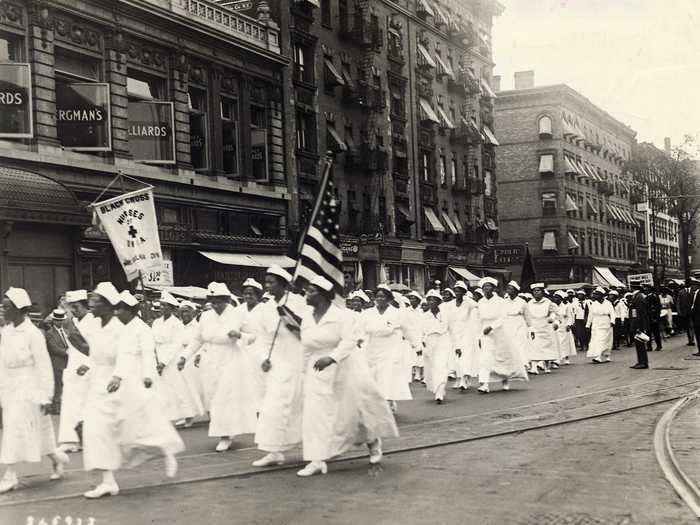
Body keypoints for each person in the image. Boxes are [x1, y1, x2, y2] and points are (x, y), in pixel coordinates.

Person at [296, 276, 398, 477]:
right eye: (307, 291)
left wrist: (331, 358)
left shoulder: (342, 316)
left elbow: (349, 342)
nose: (307, 295)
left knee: (353, 413)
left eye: (311, 292)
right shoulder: (307, 317)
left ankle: (373, 442)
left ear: (324, 296)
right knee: (315, 415)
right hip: (315, 371)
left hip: (343, 368)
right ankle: (317, 459)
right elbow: (305, 346)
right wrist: (302, 372)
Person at [0, 288, 70, 493]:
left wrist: (47, 395)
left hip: (30, 387)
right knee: (36, 431)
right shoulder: (7, 331)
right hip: (10, 388)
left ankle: (10, 474)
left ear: (20, 309)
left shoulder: (33, 334)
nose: (3, 311)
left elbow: (43, 365)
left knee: (14, 428)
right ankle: (57, 459)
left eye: (7, 307)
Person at [179, 282, 257, 452]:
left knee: (225, 397)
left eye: (219, 302)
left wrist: (239, 335)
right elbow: (197, 339)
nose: (215, 305)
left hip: (231, 359)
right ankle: (226, 430)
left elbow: (253, 336)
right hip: (211, 360)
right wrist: (184, 356)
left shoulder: (238, 314)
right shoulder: (206, 316)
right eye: (213, 301)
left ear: (227, 300)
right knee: (213, 398)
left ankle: (225, 436)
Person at [112, 291, 183, 478]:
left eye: (120, 309)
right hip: (125, 378)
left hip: (140, 378)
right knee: (127, 421)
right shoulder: (122, 327)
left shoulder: (141, 328)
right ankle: (138, 451)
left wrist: (148, 376)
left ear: (129, 311)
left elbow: (148, 354)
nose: (117, 313)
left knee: (149, 420)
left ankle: (168, 454)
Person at [251, 267, 307, 467]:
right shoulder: (265, 309)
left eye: (271, 282)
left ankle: (316, 448)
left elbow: (308, 331)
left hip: (300, 362)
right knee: (273, 407)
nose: (267, 286)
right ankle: (273, 451)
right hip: (277, 365)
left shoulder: (299, 304)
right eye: (265, 282)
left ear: (283, 284)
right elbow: (262, 338)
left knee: (304, 407)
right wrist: (264, 358)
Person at [153, 292, 201, 427]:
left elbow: (175, 345)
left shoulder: (176, 324)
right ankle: (169, 415)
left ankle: (188, 415)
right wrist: (157, 359)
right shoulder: (156, 322)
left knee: (179, 388)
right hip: (159, 355)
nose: (162, 308)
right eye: (161, 306)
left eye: (165, 306)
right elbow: (154, 341)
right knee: (163, 389)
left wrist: (164, 361)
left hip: (172, 357)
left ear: (171, 308)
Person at [475, 278, 529, 393]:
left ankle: (505, 379)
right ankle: (484, 384)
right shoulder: (480, 302)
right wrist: (479, 335)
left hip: (499, 332)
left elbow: (503, 317)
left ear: (494, 288)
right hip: (485, 333)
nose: (486, 288)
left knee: (501, 357)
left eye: (488, 286)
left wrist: (492, 327)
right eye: (484, 286)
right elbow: (478, 320)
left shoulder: (500, 301)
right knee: (485, 358)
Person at [422, 289, 451, 403]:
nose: (431, 302)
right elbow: (421, 331)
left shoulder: (445, 314)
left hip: (443, 340)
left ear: (439, 302)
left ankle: (440, 391)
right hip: (429, 341)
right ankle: (438, 388)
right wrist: (422, 342)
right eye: (429, 299)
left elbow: (450, 329)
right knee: (432, 366)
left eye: (433, 300)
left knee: (441, 365)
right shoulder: (424, 316)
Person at [449, 281, 479, 391]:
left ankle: (464, 379)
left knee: (465, 356)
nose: (457, 293)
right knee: (455, 357)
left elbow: (476, 306)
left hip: (467, 332)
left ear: (464, 292)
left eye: (460, 291)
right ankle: (460, 378)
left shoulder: (469, 303)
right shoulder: (451, 304)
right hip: (454, 332)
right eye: (456, 291)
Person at [524, 283, 559, 374]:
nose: (536, 292)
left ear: (542, 292)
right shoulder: (529, 303)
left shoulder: (548, 302)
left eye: (538, 290)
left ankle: (546, 366)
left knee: (546, 347)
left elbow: (553, 312)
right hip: (534, 326)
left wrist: (552, 318)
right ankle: (534, 367)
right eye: (534, 291)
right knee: (534, 346)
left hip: (545, 326)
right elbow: (527, 315)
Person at [43, 308, 71, 415]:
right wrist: (68, 352)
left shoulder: (67, 332)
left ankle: (64, 405)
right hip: (57, 362)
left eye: (61, 320)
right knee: (57, 384)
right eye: (57, 320)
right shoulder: (49, 333)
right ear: (54, 321)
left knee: (65, 383)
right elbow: (53, 348)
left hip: (67, 362)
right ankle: (56, 407)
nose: (60, 322)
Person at [503, 281, 530, 371]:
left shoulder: (522, 302)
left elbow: (528, 317)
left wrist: (531, 329)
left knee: (520, 344)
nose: (508, 290)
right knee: (510, 345)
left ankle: (523, 363)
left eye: (511, 289)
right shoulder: (504, 302)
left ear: (515, 291)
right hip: (508, 325)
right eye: (508, 288)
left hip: (519, 324)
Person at [586, 287, 616, 364]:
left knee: (605, 340)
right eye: (595, 295)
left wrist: (612, 321)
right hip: (596, 323)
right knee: (597, 340)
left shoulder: (608, 303)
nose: (595, 296)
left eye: (597, 295)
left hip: (605, 322)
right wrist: (588, 325)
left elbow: (612, 313)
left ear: (602, 295)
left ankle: (606, 355)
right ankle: (598, 356)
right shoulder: (593, 304)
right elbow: (590, 315)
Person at [629, 285, 650, 369]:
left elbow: (639, 313)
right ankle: (641, 361)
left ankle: (643, 362)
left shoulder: (638, 297)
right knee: (639, 344)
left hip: (639, 324)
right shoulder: (638, 296)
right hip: (638, 323)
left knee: (640, 344)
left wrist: (637, 326)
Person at [677, 279, 696, 347]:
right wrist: (679, 311)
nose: (688, 284)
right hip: (684, 312)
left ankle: (692, 339)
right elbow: (678, 302)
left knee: (691, 326)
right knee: (687, 327)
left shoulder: (694, 291)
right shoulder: (681, 292)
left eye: (689, 282)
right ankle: (690, 339)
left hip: (692, 312)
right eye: (687, 282)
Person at [645, 286, 663, 351]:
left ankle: (659, 345)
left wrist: (656, 317)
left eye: (646, 289)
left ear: (650, 290)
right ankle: (649, 346)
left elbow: (658, 308)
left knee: (656, 332)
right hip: (648, 317)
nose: (645, 290)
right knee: (648, 333)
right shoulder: (647, 297)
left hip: (653, 317)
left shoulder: (654, 296)